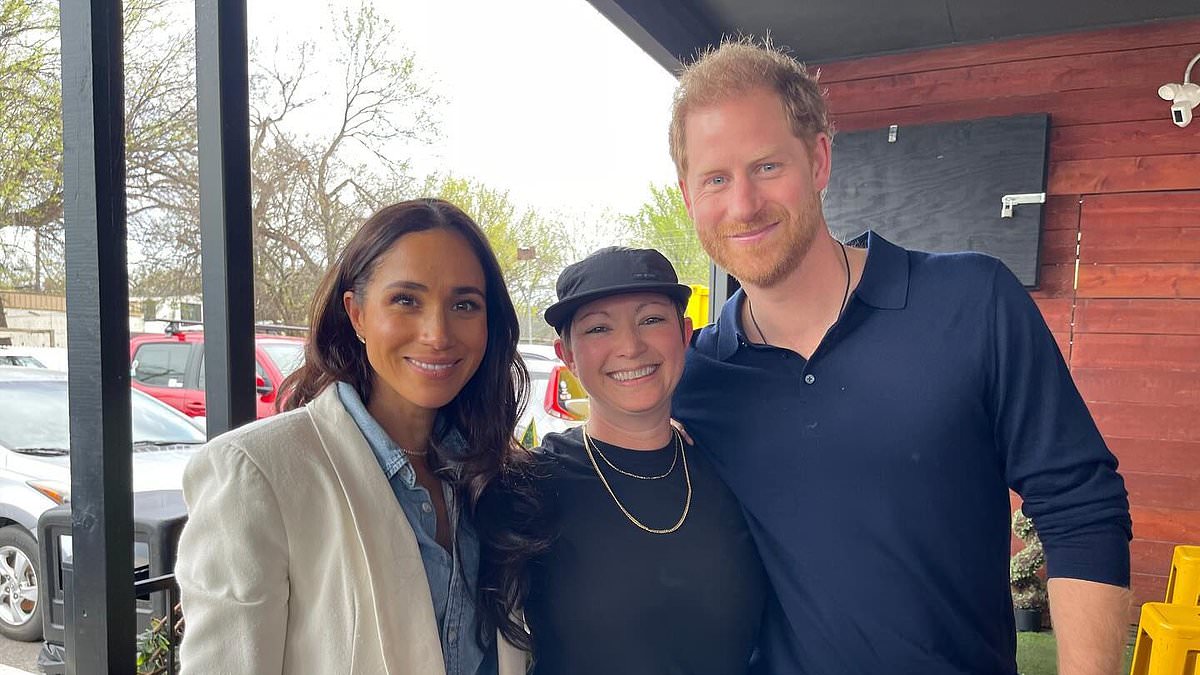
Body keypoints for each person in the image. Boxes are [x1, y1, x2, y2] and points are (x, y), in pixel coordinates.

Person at [668, 39, 1132, 674]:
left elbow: (1081, 503)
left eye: (768, 166)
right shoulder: (698, 382)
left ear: (820, 158)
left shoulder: (974, 302)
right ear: (689, 196)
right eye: (716, 178)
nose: (743, 203)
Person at [175, 199, 527, 675]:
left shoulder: (491, 472)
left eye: (464, 304)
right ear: (357, 314)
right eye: (406, 300)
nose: (438, 333)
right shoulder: (257, 472)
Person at [475, 247, 767, 675]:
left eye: (651, 319)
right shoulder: (527, 485)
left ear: (685, 333)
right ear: (567, 355)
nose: (630, 346)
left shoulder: (734, 469)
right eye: (598, 329)